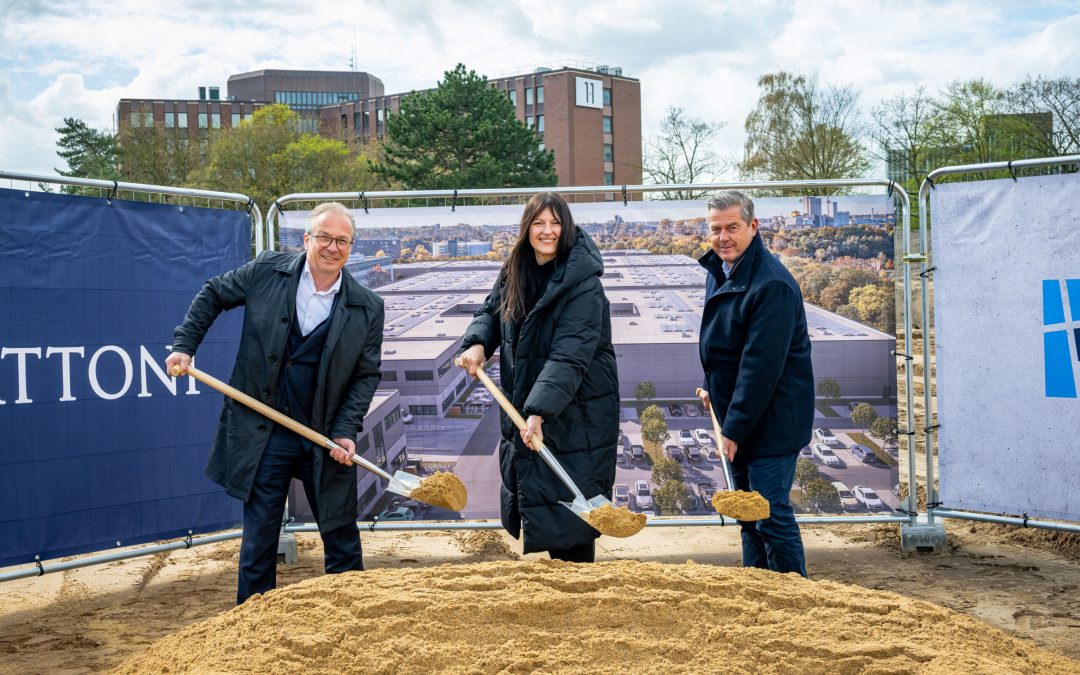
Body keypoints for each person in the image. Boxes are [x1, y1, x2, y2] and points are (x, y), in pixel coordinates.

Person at [166, 201, 384, 603]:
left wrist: (345, 430)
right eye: (324, 237)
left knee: (341, 538)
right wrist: (185, 345)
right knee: (259, 542)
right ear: (306, 240)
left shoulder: (368, 307)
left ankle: (355, 622)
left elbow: (365, 375)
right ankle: (253, 627)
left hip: (324, 436)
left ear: (351, 247)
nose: (332, 247)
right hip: (264, 433)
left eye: (342, 241)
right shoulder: (267, 270)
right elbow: (213, 293)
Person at [459, 192, 619, 563]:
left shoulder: (583, 284)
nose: (547, 231)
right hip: (533, 400)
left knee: (571, 504)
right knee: (543, 496)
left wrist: (538, 412)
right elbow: (491, 310)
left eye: (555, 223)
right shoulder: (515, 268)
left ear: (567, 229)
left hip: (577, 408)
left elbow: (570, 354)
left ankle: (579, 592)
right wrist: (480, 341)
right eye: (538, 223)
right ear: (527, 228)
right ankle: (557, 595)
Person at [696, 190, 814, 577]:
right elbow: (726, 348)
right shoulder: (724, 270)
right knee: (747, 514)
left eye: (733, 227)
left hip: (773, 422)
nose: (723, 237)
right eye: (716, 229)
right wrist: (712, 389)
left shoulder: (770, 285)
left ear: (753, 226)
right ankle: (758, 591)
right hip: (744, 417)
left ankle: (795, 600)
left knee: (769, 515)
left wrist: (735, 428)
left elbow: (760, 367)